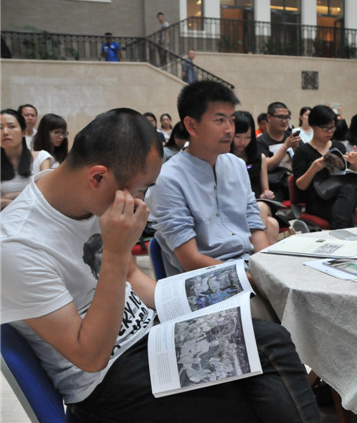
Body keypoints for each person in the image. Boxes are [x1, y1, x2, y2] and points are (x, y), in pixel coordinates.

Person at [1, 107, 319, 422]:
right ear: (98, 176)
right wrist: (116, 253)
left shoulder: (90, 198)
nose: (143, 203)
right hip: (105, 382)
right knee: (267, 358)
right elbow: (90, 357)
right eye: (141, 190)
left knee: (262, 333)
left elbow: (132, 277)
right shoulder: (18, 244)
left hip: (152, 338)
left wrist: (212, 291)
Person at [147, 80, 271, 277]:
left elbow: (255, 226)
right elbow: (191, 260)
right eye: (220, 120)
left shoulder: (237, 166)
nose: (230, 129)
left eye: (231, 120)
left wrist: (268, 272)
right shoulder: (168, 180)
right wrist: (256, 280)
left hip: (247, 268)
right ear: (191, 125)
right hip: (205, 279)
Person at [292, 105, 357, 229]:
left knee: (348, 190)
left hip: (341, 195)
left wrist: (354, 162)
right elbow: (300, 186)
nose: (330, 131)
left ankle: (340, 232)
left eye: (332, 127)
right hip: (317, 200)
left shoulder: (339, 147)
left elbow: (350, 176)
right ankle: (343, 232)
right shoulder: (303, 151)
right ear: (313, 126)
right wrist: (314, 168)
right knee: (346, 214)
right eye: (325, 128)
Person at [231, 110, 280, 244]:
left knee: (260, 207)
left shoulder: (259, 157)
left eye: (247, 137)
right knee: (272, 224)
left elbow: (265, 189)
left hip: (258, 203)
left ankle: (248, 247)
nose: (242, 142)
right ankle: (259, 254)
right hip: (234, 204)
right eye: (237, 137)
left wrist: (267, 194)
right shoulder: (223, 157)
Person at [1, 109, 53, 209]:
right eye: (0, 128)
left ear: (24, 132)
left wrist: (9, 197)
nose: (5, 132)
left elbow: (47, 191)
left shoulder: (41, 157)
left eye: (11, 126)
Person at [256, 102, 301, 201]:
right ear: (269, 117)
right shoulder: (261, 141)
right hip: (275, 185)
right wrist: (285, 146)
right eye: (280, 117)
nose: (284, 121)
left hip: (294, 182)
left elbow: (303, 163)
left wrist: (296, 149)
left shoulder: (292, 137)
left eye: (287, 117)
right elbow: (267, 167)